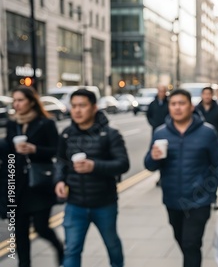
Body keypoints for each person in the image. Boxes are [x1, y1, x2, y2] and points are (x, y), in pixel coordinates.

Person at [144, 89, 218, 267]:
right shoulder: (161, 133)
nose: (177, 108)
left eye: (181, 103)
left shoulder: (207, 132)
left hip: (200, 199)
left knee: (191, 243)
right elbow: (149, 166)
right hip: (172, 199)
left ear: (191, 106)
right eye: (173, 104)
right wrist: (153, 157)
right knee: (181, 239)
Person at [54, 89, 130, 267]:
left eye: (82, 106)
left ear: (94, 107)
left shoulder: (110, 134)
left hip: (104, 202)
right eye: (74, 106)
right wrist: (59, 180)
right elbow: (60, 162)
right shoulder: (66, 134)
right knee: (72, 249)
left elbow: (123, 164)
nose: (77, 111)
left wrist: (94, 166)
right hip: (75, 204)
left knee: (112, 245)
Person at [5, 86, 64, 267]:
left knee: (41, 227)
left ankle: (60, 249)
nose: (17, 104)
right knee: (19, 233)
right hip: (17, 184)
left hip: (39, 183)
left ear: (31, 101)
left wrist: (34, 149)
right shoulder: (12, 123)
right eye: (14, 100)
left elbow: (57, 150)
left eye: (20, 100)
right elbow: (7, 150)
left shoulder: (45, 123)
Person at [195, 86, 218, 210]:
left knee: (215, 171)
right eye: (204, 94)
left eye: (209, 94)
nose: (207, 97)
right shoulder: (196, 109)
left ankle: (214, 197)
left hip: (217, 145)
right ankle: (207, 195)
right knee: (204, 171)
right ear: (202, 95)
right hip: (200, 146)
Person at [146, 84, 169, 186]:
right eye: (160, 91)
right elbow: (148, 115)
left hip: (167, 131)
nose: (161, 93)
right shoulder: (153, 104)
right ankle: (160, 176)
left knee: (167, 154)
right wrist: (153, 123)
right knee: (158, 154)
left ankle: (164, 176)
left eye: (163, 91)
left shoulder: (168, 103)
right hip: (156, 132)